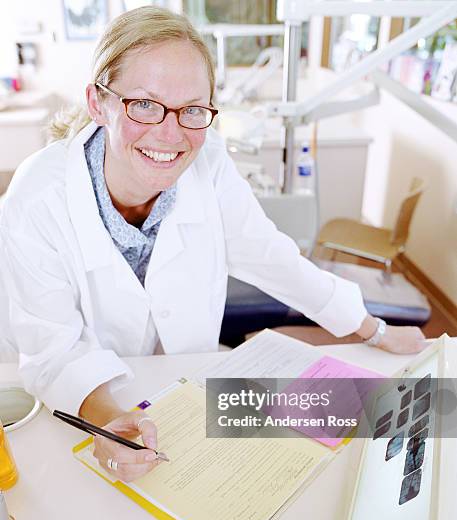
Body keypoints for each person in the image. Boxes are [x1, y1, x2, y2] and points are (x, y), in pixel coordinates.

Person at [0, 7, 425, 482]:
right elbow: (54, 352)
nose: (170, 131)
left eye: (193, 110)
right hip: (74, 407)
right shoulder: (37, 197)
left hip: (182, 395)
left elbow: (270, 255)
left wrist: (372, 330)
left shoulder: (210, 161)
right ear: (98, 102)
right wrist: (108, 422)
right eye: (144, 103)